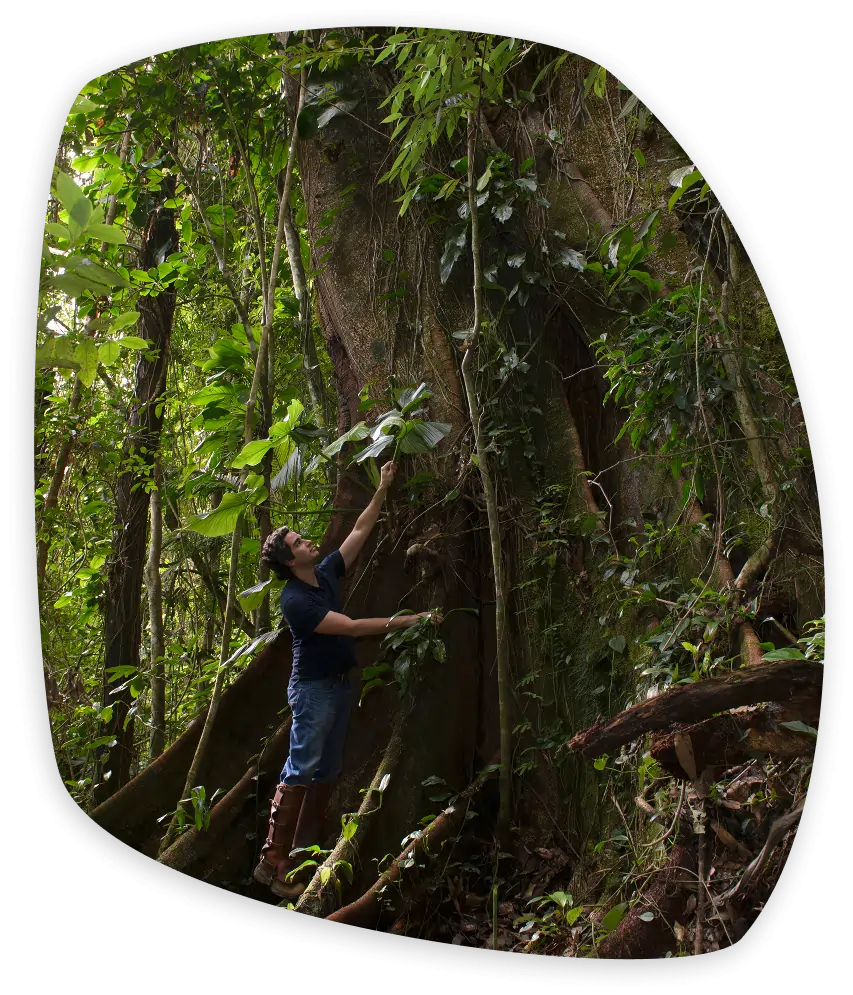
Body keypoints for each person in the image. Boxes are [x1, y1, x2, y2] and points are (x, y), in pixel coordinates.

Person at [252, 460, 441, 899]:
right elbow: (352, 627)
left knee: (326, 771)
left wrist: (383, 488)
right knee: (301, 767)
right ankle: (271, 860)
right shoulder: (295, 600)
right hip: (313, 691)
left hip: (339, 686)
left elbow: (358, 531)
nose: (308, 540)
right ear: (289, 560)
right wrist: (410, 620)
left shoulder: (324, 573)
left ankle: (299, 860)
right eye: (298, 542)